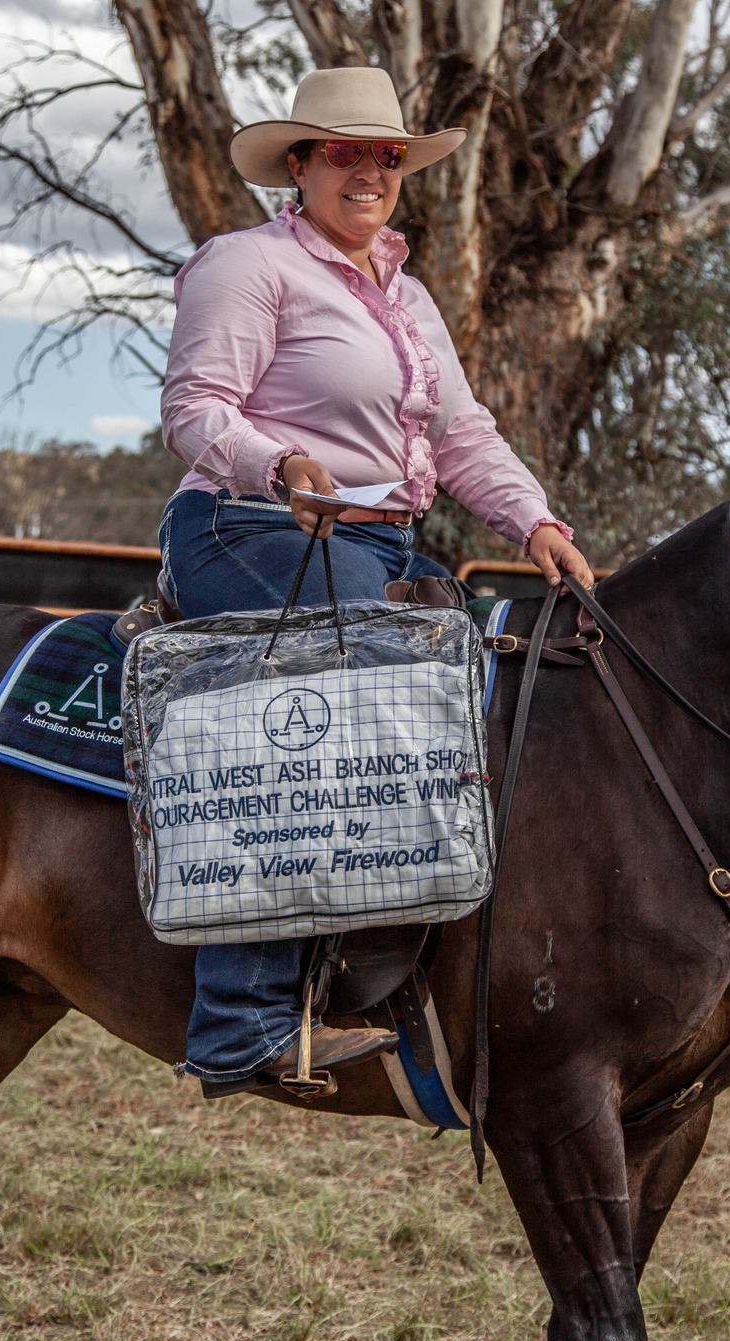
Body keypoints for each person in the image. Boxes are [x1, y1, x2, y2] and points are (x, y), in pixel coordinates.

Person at [157, 66, 593, 1098]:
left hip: (378, 541)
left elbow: (462, 433)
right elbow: (195, 406)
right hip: (249, 523)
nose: (370, 172)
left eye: (387, 155)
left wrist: (533, 520)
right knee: (341, 679)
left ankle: (446, 948)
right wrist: (278, 463)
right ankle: (242, 1019)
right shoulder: (247, 264)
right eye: (346, 152)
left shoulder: (407, 295)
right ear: (300, 164)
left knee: (496, 671)